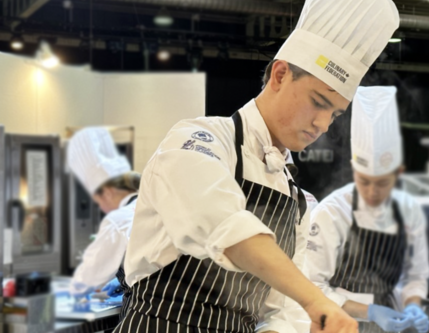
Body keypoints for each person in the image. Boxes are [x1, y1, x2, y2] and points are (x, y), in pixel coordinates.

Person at [114, 0, 400, 331]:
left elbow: (283, 310)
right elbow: (223, 224)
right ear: (280, 75)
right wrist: (315, 300)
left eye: (335, 114)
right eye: (318, 102)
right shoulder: (199, 139)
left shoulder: (296, 202)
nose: (323, 124)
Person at [306, 86, 429, 333]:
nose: (372, 192)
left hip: (392, 324)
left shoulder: (409, 210)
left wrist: (413, 306)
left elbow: (415, 277)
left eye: (383, 183)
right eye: (364, 181)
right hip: (338, 325)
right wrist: (371, 312)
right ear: (354, 170)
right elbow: (312, 287)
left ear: (398, 173)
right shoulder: (333, 212)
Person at [67, 127, 140, 315]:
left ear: (108, 192)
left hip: (146, 317)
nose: (101, 209)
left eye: (98, 202)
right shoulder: (150, 205)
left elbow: (86, 280)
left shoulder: (119, 219)